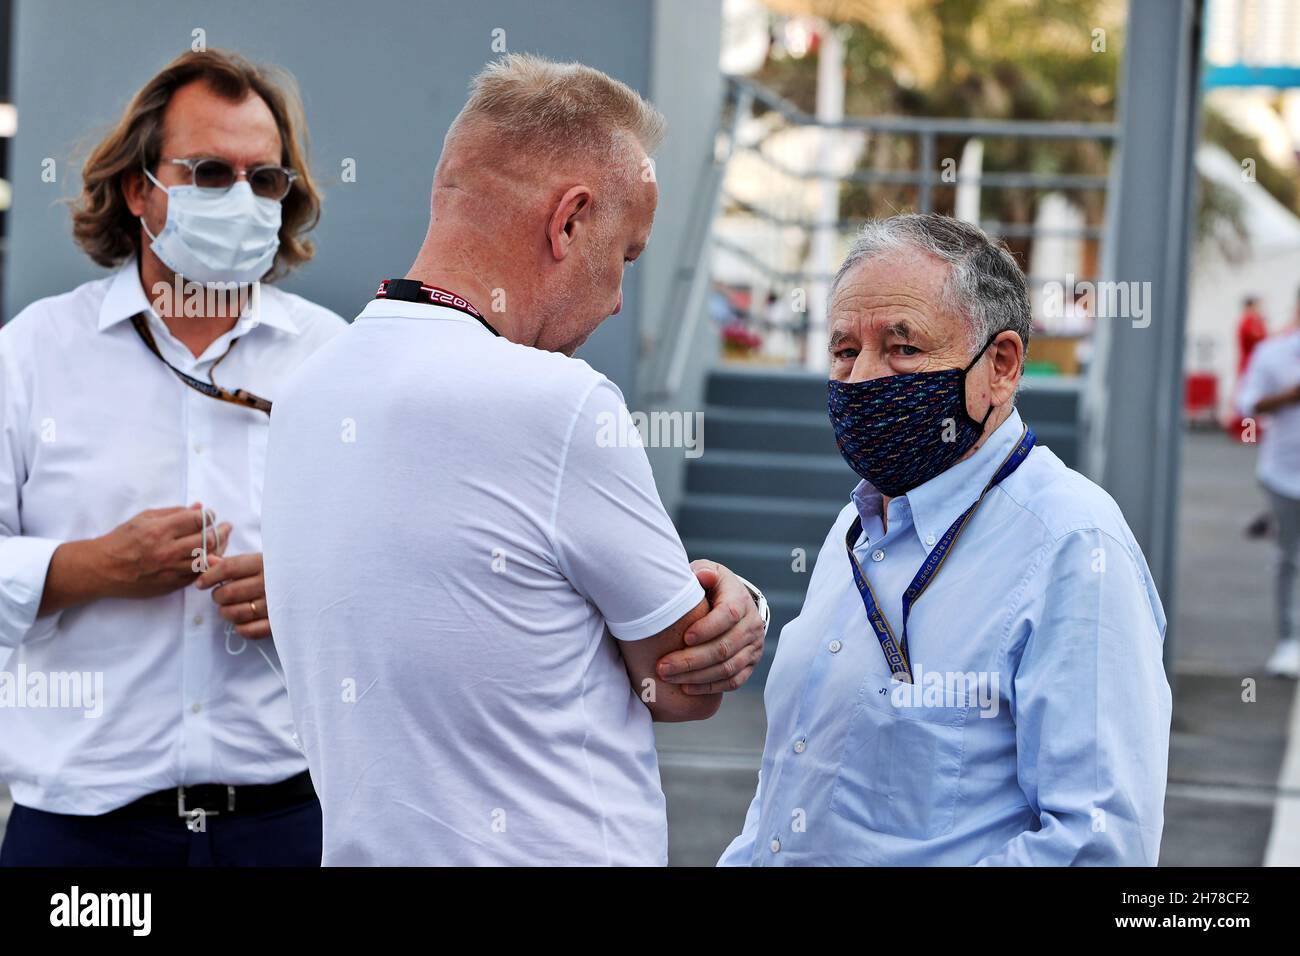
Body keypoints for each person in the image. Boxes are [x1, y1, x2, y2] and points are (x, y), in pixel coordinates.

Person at [260, 54, 768, 866]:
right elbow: (678, 683)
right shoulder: (559, 404)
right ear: (568, 221)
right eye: (627, 255)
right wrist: (741, 601)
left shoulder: (304, 393)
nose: (616, 300)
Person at [719, 214, 1171, 866]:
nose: (863, 378)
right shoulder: (861, 521)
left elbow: (1097, 847)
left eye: (903, 349)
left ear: (1003, 364)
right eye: (845, 351)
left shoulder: (1073, 549)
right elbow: (790, 793)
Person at [0, 50, 345, 865]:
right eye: (207, 172)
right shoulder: (32, 355)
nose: (241, 197)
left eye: (265, 180)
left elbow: (410, 574)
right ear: (137, 189)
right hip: (82, 832)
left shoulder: (338, 365)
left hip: (289, 823)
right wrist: (92, 566)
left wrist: (309, 590)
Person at [1238, 319, 1300, 678]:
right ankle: (1289, 641)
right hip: (1285, 477)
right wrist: (1289, 397)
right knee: (1288, 557)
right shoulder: (1273, 353)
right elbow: (1247, 404)